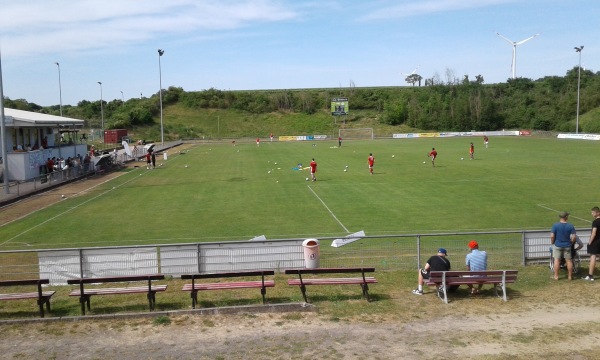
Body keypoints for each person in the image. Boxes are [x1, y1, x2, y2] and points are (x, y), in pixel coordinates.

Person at [550, 211, 577, 280]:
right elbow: (574, 237)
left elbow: (552, 236)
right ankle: (570, 276)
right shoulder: (570, 225)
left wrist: (552, 242)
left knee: (557, 260)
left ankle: (556, 276)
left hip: (558, 245)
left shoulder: (555, 225)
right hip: (567, 245)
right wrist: (571, 242)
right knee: (568, 261)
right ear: (566, 217)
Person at [584, 206, 600, 280]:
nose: (592, 214)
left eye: (593, 212)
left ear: (597, 213)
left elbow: (594, 233)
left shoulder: (595, 222)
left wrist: (590, 242)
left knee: (593, 257)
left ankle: (590, 275)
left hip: (596, 242)